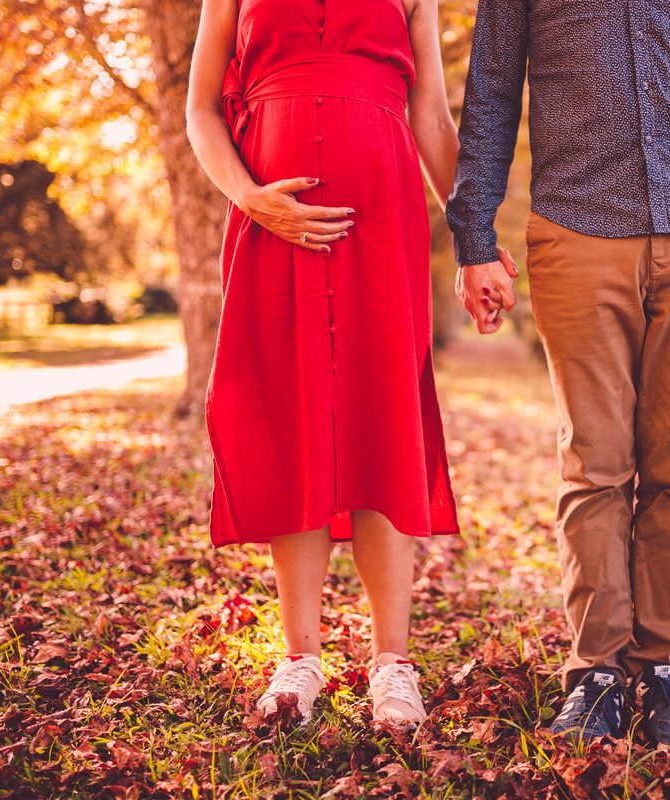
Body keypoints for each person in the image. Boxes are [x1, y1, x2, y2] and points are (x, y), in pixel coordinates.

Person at [447, 0, 670, 749]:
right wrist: (473, 237)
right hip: (576, 227)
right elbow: (492, 89)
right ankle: (597, 673)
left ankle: (663, 669)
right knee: (595, 463)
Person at [186, 0, 499, 731]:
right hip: (271, 223)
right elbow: (200, 110)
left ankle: (393, 663)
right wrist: (251, 199)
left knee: (379, 415)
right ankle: (301, 658)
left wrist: (477, 241)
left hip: (381, 220)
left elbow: (432, 120)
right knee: (289, 417)